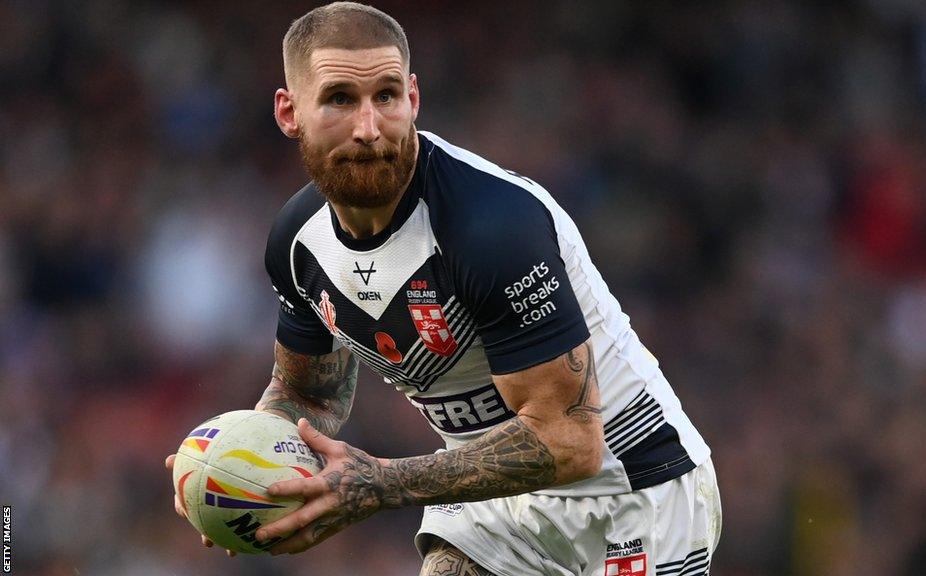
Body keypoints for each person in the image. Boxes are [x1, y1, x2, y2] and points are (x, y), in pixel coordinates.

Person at [165, 3, 722, 574]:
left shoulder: (489, 225)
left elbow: (571, 442)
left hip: (633, 491)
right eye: (339, 99)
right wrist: (234, 468)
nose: (368, 127)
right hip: (493, 500)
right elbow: (308, 397)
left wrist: (381, 483)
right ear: (289, 113)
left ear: (413, 98)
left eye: (385, 96)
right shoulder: (296, 243)